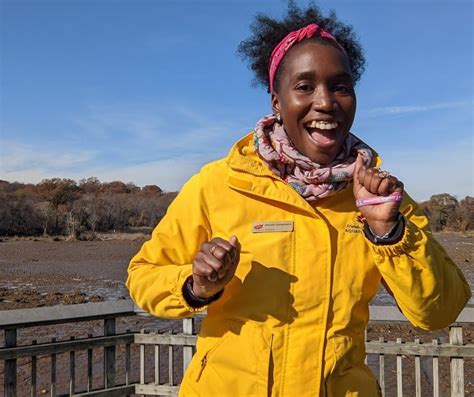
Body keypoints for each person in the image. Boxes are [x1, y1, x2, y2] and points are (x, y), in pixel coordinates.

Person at [127, 3, 471, 396]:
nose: (325, 102)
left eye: (340, 86)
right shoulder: (218, 184)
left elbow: (439, 311)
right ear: (277, 101)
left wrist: (389, 233)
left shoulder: (382, 196)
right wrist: (196, 286)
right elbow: (143, 275)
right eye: (305, 86)